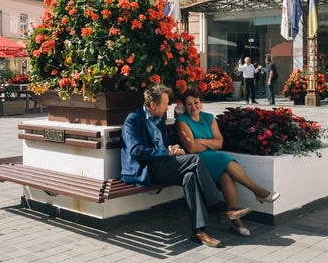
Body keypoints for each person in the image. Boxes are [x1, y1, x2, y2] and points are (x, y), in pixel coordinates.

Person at [120, 84, 251, 248]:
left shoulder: (158, 118)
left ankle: (198, 232)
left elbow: (163, 142)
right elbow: (136, 151)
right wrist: (166, 153)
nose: (168, 107)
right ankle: (220, 208)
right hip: (145, 168)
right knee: (194, 160)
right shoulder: (133, 120)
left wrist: (173, 149)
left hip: (163, 163)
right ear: (153, 105)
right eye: (165, 104)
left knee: (190, 177)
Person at [175, 89, 280, 237]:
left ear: (201, 103)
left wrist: (202, 141)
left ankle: (235, 220)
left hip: (211, 157)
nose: (193, 107)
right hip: (196, 160)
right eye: (189, 104)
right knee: (224, 159)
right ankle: (258, 191)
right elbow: (191, 148)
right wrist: (209, 143)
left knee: (226, 177)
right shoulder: (182, 121)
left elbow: (219, 143)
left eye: (196, 103)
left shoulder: (209, 118)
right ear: (184, 107)